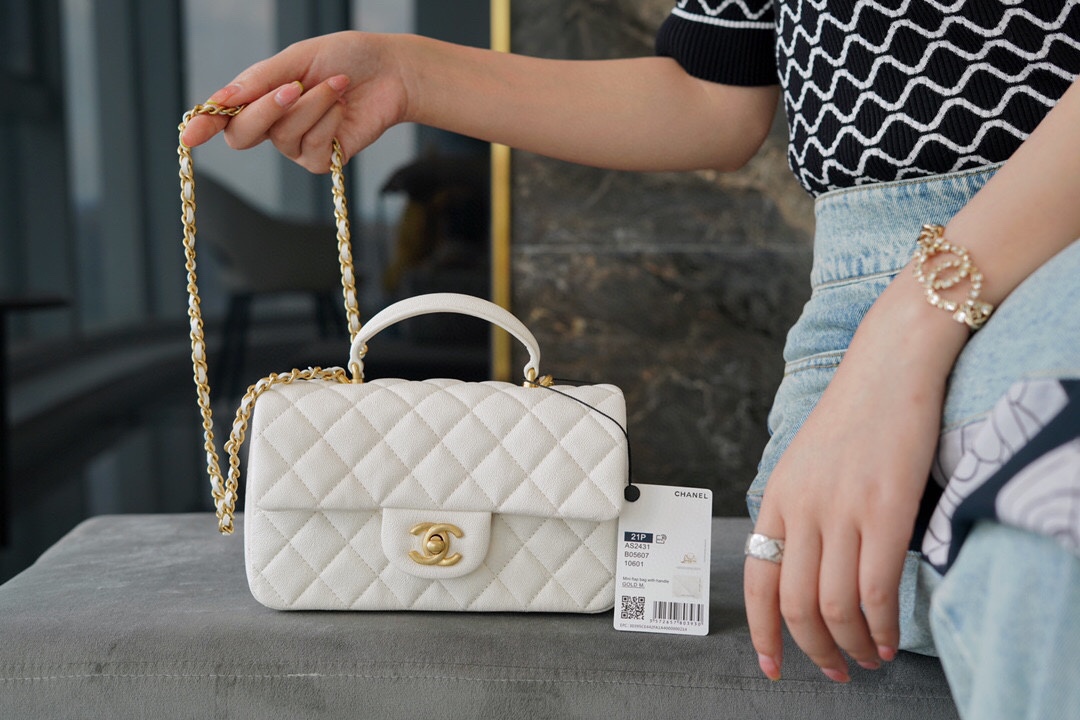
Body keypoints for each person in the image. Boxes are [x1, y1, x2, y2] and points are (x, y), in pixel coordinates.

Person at [182, 3, 1080, 717]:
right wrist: (407, 73)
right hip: (855, 291)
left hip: (1051, 249)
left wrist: (905, 333)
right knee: (883, 566)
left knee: (1036, 556)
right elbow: (712, 94)